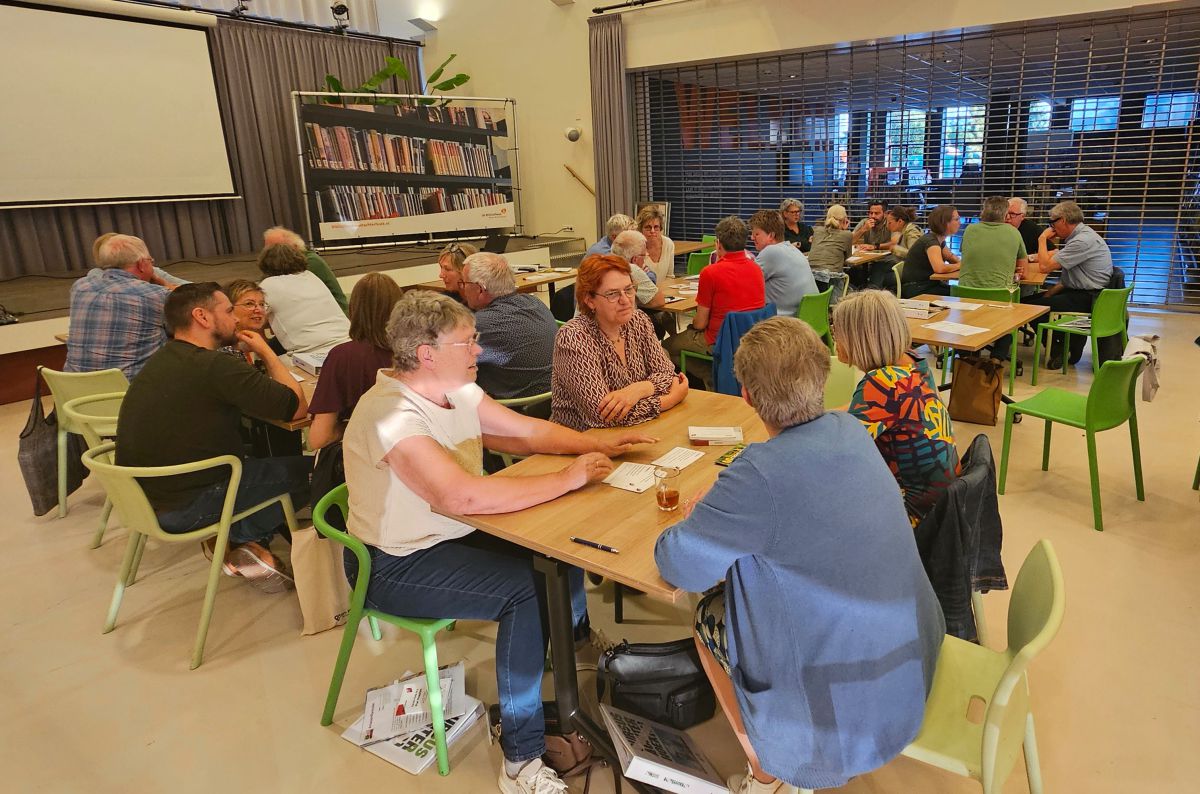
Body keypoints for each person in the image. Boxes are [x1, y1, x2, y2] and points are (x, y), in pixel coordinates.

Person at [341, 289, 654, 794]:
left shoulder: (455, 387)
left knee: (560, 541)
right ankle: (521, 761)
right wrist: (567, 478)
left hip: (452, 535)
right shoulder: (389, 413)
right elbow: (460, 496)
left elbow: (525, 433)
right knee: (522, 591)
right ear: (427, 354)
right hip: (393, 562)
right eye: (468, 342)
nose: (478, 351)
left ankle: (570, 644)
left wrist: (598, 441)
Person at [654, 316, 944, 794]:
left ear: (746, 395)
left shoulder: (758, 474)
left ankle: (767, 772)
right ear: (824, 375)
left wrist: (700, 513)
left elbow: (678, 565)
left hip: (839, 689)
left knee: (707, 613)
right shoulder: (851, 429)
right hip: (911, 656)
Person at [116, 283, 310, 590]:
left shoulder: (164, 360)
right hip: (188, 506)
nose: (235, 319)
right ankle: (242, 536)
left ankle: (242, 540)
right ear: (202, 317)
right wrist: (265, 351)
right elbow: (297, 408)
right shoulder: (215, 365)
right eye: (229, 311)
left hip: (144, 501)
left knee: (261, 462)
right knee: (318, 470)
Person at [834, 290, 959, 525]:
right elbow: (858, 411)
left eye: (837, 332)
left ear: (859, 338)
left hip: (913, 515)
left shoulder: (881, 383)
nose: (834, 340)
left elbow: (839, 453)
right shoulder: (913, 363)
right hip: (943, 507)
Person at [552, 255, 687, 430]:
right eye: (613, 294)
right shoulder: (574, 337)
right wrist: (669, 400)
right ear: (589, 300)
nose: (625, 300)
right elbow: (603, 416)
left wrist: (640, 389)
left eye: (629, 289)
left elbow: (667, 375)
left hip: (637, 429)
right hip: (581, 443)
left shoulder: (638, 321)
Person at [663, 216, 766, 384]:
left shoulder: (711, 272)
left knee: (666, 347)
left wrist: (693, 326)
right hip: (750, 337)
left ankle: (709, 376)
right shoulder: (757, 269)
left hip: (718, 339)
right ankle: (714, 376)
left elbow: (700, 324)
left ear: (718, 243)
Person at [307, 272, 403, 451]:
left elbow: (319, 439)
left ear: (354, 310)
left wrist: (346, 428)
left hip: (360, 463)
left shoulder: (342, 357)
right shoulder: (419, 353)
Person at [66, 234, 175, 378]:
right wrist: (163, 283)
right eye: (150, 261)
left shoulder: (80, 287)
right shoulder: (156, 294)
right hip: (130, 392)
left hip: (77, 392)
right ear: (142, 264)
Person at [1027, 200, 1117, 369]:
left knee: (1029, 309)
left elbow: (1045, 266)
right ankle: (1067, 345)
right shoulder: (1082, 235)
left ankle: (1059, 349)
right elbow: (1072, 273)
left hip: (1089, 297)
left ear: (1062, 220)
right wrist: (1052, 291)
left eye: (1052, 223)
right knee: (1030, 301)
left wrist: (1042, 238)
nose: (1051, 228)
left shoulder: (1081, 241)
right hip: (1083, 291)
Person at [460, 252, 557, 404]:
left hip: (518, 407)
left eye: (464, 283)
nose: (463, 289)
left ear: (480, 289)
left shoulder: (481, 324)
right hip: (552, 396)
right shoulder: (535, 302)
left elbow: (449, 366)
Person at [959, 196, 1030, 363]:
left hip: (965, 295)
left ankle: (967, 357)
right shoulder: (1014, 233)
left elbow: (966, 253)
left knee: (967, 320)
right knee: (1010, 320)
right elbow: (1024, 272)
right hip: (1000, 296)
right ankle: (997, 358)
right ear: (1005, 215)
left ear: (984, 212)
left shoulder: (970, 229)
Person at [257, 243, 351, 354]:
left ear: (265, 264)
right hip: (347, 340)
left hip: (310, 352)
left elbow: (254, 317)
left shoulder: (268, 285)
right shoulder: (311, 276)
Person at [262, 226, 348, 314]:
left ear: (294, 247)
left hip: (334, 314)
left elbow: (286, 294)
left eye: (275, 249)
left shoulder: (310, 262)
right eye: (267, 249)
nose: (269, 254)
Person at [748, 208, 816, 316]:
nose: (752, 238)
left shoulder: (771, 251)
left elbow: (744, 282)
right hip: (810, 318)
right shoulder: (792, 248)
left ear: (771, 235)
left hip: (786, 324)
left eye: (756, 234)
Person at [900, 204, 961, 298]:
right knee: (961, 294)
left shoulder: (938, 239)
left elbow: (950, 256)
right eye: (956, 219)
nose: (959, 223)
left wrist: (962, 263)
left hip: (927, 285)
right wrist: (959, 265)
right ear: (945, 223)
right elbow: (939, 268)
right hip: (917, 289)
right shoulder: (931, 242)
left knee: (959, 291)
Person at [91, 231, 187, 287]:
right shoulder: (96, 275)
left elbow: (190, 287)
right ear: (141, 263)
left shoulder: (82, 285)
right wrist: (164, 284)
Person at [609, 229, 666, 311]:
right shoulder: (631, 268)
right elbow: (659, 301)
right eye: (644, 256)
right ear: (635, 259)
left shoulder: (605, 263)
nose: (645, 259)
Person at [217, 279, 272, 363]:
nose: (259, 310)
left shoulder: (250, 340)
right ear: (229, 308)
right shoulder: (225, 351)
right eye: (249, 304)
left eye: (261, 304)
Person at [807, 205, 854, 296]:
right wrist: (844, 230)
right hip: (832, 279)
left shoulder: (816, 231)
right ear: (845, 219)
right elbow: (848, 258)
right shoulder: (847, 235)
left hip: (811, 277)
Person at [1006, 197, 1054, 264]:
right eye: (1005, 213)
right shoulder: (996, 225)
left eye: (1012, 214)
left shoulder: (1031, 228)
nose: (1007, 217)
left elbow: (1054, 253)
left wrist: (1027, 258)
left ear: (1022, 216)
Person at [636, 205, 676, 284]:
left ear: (660, 228)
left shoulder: (668, 244)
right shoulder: (636, 247)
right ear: (641, 229)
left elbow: (670, 277)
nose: (652, 231)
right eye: (648, 227)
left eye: (656, 227)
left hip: (664, 292)